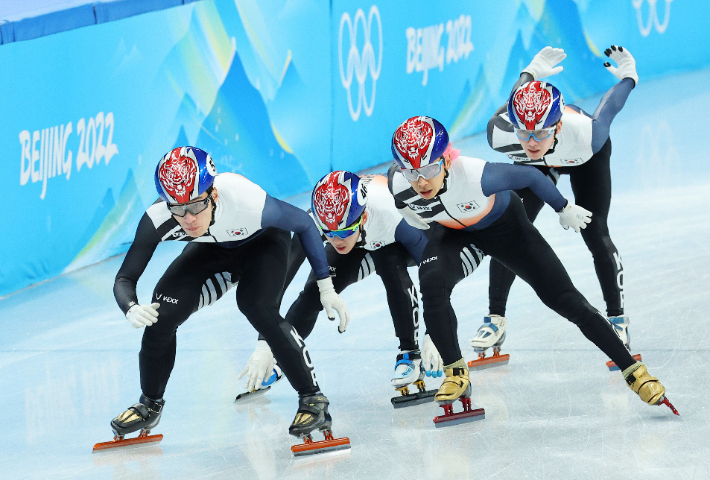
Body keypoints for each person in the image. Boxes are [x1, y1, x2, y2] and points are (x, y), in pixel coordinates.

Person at [387, 115, 673, 414]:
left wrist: (563, 207)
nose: (420, 181)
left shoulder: (478, 176)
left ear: (446, 160)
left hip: (506, 231)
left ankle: (635, 372)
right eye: (411, 172)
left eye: (429, 168)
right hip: (453, 235)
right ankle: (456, 372)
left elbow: (532, 177)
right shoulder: (400, 182)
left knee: (565, 300)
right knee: (431, 281)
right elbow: (401, 203)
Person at [109, 146, 350, 443]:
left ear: (214, 194)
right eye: (177, 208)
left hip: (264, 245)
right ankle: (150, 404)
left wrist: (325, 287)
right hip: (212, 251)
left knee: (256, 306)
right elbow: (124, 277)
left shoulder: (244, 199)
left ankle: (313, 400)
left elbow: (304, 223)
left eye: (197, 205)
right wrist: (130, 306)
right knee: (161, 316)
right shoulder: (159, 217)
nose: (188, 219)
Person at [477, 45, 638, 361]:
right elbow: (516, 99)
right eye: (525, 133)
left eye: (540, 133)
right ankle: (495, 318)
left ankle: (617, 320)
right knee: (510, 230)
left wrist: (629, 76)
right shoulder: (500, 132)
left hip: (584, 159)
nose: (532, 142)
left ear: (558, 126)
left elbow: (610, 107)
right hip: (539, 168)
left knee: (595, 233)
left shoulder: (586, 133)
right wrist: (531, 71)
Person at [238, 171, 445, 399]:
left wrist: (434, 333)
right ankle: (281, 357)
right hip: (360, 244)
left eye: (343, 231)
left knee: (388, 261)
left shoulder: (391, 213)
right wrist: (266, 343)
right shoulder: (315, 222)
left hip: (395, 240)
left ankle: (409, 353)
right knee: (312, 294)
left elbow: (434, 275)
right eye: (329, 234)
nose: (337, 240)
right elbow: (278, 282)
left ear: (362, 218)